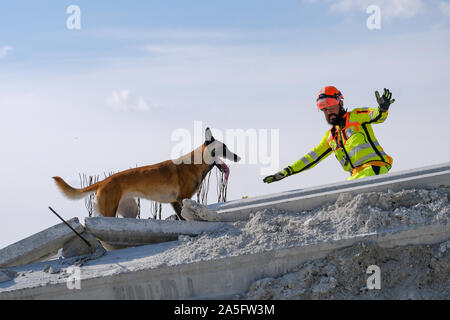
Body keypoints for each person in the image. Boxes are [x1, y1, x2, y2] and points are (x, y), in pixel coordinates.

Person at [263, 86, 395, 183]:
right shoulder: (331, 136)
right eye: (324, 110)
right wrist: (288, 171)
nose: (328, 112)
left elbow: (377, 116)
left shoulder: (356, 116)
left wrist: (382, 109)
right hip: (355, 177)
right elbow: (311, 157)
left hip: (375, 169)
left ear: (341, 103)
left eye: (331, 107)